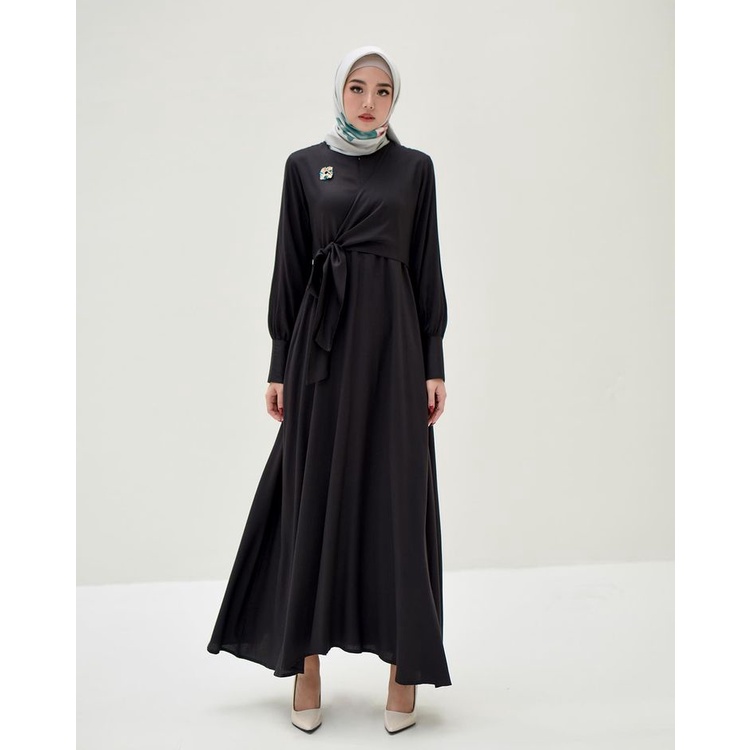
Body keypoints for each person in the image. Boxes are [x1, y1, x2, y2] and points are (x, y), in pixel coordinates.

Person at [206, 45, 451, 734]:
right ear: (339, 92)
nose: (368, 102)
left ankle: (404, 668)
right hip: (319, 354)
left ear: (394, 100)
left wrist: (433, 360)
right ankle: (305, 663)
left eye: (382, 91)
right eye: (357, 88)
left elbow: (426, 266)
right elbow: (288, 265)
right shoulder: (303, 166)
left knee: (397, 497)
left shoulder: (415, 169)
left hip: (395, 354)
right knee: (310, 495)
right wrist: (278, 361)